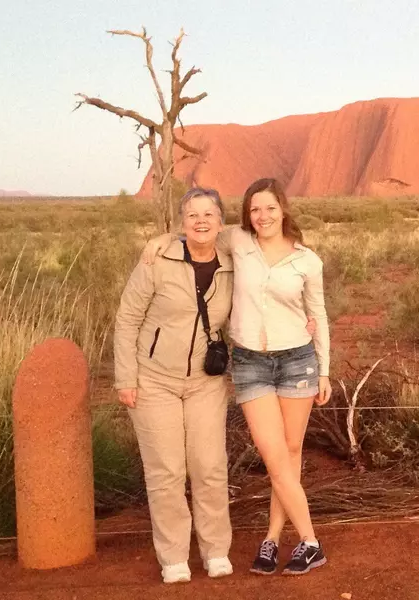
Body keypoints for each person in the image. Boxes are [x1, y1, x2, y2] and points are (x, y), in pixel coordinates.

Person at [145, 177, 332, 576]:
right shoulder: (238, 242)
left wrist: (325, 368)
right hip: (251, 363)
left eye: (269, 208)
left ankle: (271, 539)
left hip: (298, 361)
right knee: (274, 456)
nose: (262, 216)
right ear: (247, 214)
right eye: (254, 209)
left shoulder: (307, 260)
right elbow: (200, 227)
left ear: (283, 209)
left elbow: (320, 313)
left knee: (289, 455)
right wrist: (161, 240)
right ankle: (311, 541)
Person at [114, 187, 235, 584]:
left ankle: (216, 550)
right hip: (154, 381)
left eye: (208, 214)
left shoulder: (234, 261)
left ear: (221, 221)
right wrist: (126, 378)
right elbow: (128, 318)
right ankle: (174, 557)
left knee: (210, 467)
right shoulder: (158, 259)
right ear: (181, 223)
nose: (201, 221)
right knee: (166, 470)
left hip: (205, 382)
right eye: (192, 215)